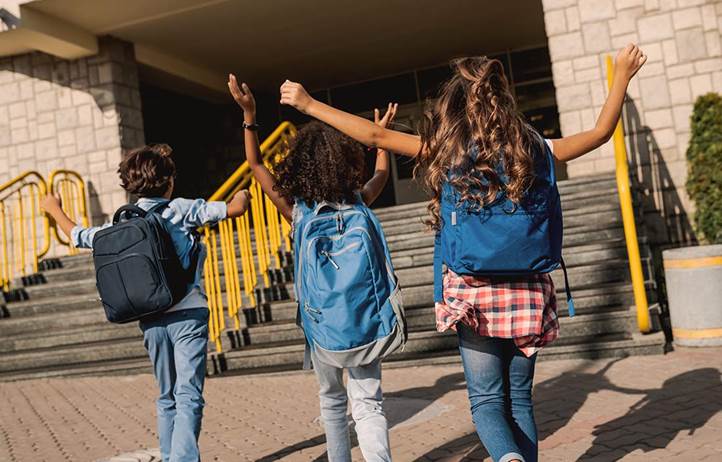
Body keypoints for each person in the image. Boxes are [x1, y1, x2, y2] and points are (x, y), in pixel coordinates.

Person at [278, 44, 647, 462]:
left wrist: (309, 104)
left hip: (473, 292)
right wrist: (621, 75)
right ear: (503, 103)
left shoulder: (448, 151)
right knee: (520, 401)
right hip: (529, 291)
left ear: (455, 108)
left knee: (487, 402)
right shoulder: (536, 149)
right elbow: (600, 133)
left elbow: (375, 136)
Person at [41, 144, 251, 462]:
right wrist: (245, 193)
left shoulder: (122, 225)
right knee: (188, 394)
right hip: (188, 314)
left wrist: (54, 208)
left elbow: (80, 235)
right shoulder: (180, 209)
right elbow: (234, 209)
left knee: (166, 395)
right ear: (169, 181)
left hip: (150, 318)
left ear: (129, 185)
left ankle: (170, 457)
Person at [227, 74, 398, 462]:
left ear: (300, 165)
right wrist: (381, 139)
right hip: (362, 318)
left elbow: (255, 164)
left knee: (332, 401)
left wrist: (249, 113)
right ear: (343, 163)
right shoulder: (359, 202)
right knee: (369, 403)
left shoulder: (298, 213)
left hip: (321, 324)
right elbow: (382, 176)